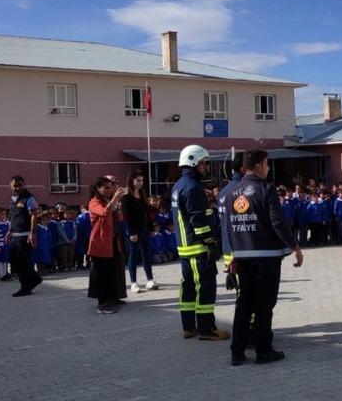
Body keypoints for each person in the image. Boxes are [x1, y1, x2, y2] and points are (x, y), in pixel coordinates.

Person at [226, 149, 302, 366]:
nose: (269, 168)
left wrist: (234, 254)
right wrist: (294, 245)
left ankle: (237, 352)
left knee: (243, 304)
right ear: (258, 165)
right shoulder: (266, 189)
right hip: (266, 257)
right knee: (264, 305)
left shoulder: (233, 192)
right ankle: (263, 350)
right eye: (267, 164)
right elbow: (277, 222)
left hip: (243, 256)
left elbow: (229, 228)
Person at [171, 145, 229, 341]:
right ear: (194, 162)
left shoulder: (179, 184)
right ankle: (206, 329)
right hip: (197, 247)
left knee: (188, 286)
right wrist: (210, 241)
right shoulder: (193, 187)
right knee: (205, 286)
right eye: (204, 163)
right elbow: (197, 220)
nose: (205, 167)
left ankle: (188, 326)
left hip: (185, 248)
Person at [86, 177, 128, 314]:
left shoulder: (108, 200)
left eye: (110, 187)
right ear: (98, 188)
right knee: (101, 273)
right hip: (100, 241)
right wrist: (115, 199)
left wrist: (118, 206)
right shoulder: (94, 201)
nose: (109, 190)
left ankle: (113, 297)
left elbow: (119, 218)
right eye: (106, 187)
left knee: (113, 270)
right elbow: (104, 212)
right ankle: (102, 303)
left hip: (113, 240)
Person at [121, 171, 157, 293]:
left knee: (146, 254)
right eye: (138, 180)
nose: (140, 183)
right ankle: (133, 282)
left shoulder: (142, 193)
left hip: (145, 228)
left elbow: (147, 212)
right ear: (131, 180)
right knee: (133, 256)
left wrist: (151, 228)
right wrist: (131, 232)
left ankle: (150, 279)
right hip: (133, 230)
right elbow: (126, 215)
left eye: (142, 180)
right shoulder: (126, 194)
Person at [7, 175, 42, 297]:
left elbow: (33, 215)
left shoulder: (29, 198)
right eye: (15, 185)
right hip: (15, 234)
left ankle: (25, 287)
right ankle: (35, 278)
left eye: (20, 185)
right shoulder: (13, 199)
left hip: (25, 234)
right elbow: (12, 217)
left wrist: (32, 233)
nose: (17, 188)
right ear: (11, 186)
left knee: (23, 262)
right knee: (15, 261)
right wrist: (9, 231)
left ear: (24, 184)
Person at [0, 208, 9, 280]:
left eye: (5, 213)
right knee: (0, 261)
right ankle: (1, 275)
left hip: (5, 244)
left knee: (5, 259)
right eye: (2, 214)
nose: (4, 215)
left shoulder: (6, 223)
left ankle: (5, 273)